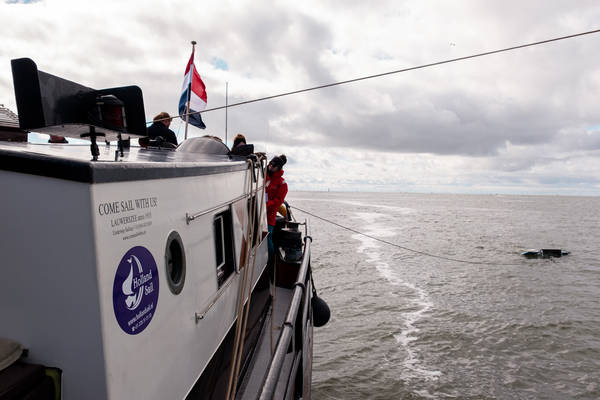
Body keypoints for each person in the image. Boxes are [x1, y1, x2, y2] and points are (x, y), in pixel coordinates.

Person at [265, 154, 288, 256]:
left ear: (278, 168)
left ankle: (271, 259)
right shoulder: (263, 176)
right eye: (270, 164)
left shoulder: (282, 184)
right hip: (257, 212)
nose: (270, 167)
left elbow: (278, 201)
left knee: (268, 237)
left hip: (270, 214)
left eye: (273, 165)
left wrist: (267, 204)